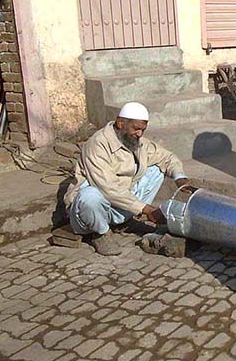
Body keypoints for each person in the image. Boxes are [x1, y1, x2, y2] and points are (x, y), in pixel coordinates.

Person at [64, 102, 190, 256]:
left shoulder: (137, 142)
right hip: (90, 211)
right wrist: (145, 209)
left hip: (118, 203)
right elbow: (107, 188)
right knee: (90, 197)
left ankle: (123, 221)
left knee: (157, 169)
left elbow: (167, 158)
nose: (139, 134)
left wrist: (180, 178)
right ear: (121, 122)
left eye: (143, 130)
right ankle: (100, 233)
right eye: (136, 129)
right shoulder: (98, 144)